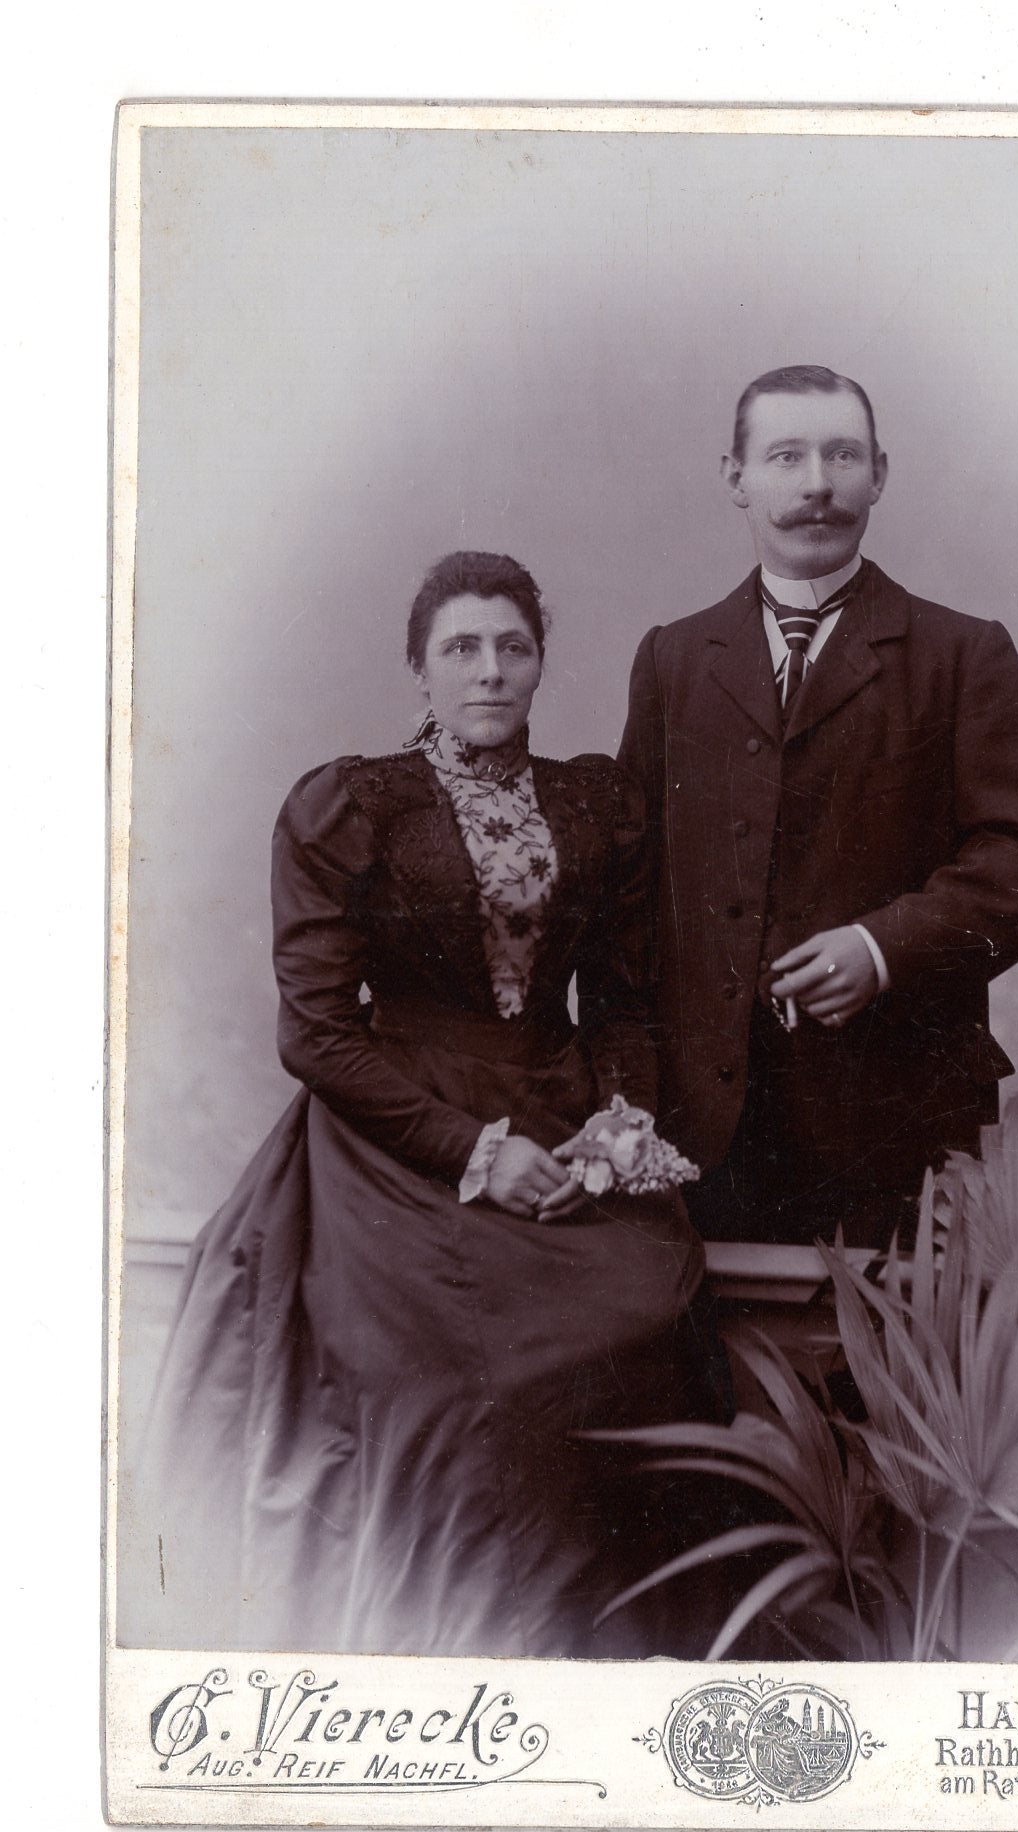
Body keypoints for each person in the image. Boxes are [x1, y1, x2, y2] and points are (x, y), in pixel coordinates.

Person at [129, 550, 726, 1660]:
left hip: (560, 1108)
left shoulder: (595, 805)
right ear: (420, 667)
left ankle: (598, 1648)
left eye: (512, 646)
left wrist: (613, 1128)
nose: (489, 670)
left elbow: (623, 1003)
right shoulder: (351, 805)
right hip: (397, 1131)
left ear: (539, 663)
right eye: (461, 648)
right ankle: (454, 1642)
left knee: (647, 1303)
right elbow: (314, 1032)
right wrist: (474, 1152)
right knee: (448, 1374)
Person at [619, 364, 1018, 1247]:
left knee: (882, 1339)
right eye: (786, 457)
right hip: (701, 1132)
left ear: (880, 474)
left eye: (842, 456)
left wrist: (882, 948)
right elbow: (629, 886)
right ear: (735, 477)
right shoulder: (673, 659)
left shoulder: (960, 653)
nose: (818, 485)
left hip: (896, 1122)